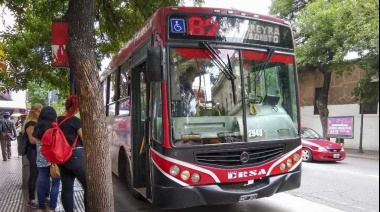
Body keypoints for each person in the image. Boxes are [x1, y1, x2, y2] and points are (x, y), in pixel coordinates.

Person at [57, 95, 87, 212]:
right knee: (88, 187)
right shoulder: (75, 121)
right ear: (76, 107)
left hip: (62, 158)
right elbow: (84, 138)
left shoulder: (57, 120)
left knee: (67, 188)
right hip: (76, 157)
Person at [33, 106, 61, 212]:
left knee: (42, 183)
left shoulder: (37, 128)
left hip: (41, 159)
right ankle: (52, 208)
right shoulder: (56, 127)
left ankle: (41, 207)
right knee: (56, 183)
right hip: (54, 159)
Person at [23, 103, 51, 208]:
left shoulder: (40, 123)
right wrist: (45, 139)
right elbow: (32, 140)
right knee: (34, 174)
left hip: (41, 151)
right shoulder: (31, 123)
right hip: (34, 151)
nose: (39, 113)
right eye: (37, 111)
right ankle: (31, 199)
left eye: (41, 111)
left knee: (45, 174)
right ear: (32, 112)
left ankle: (45, 196)